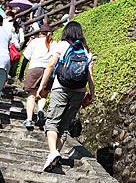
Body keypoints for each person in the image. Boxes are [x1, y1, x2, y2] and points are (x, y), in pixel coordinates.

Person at [36, 21, 94, 172]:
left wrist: (42, 87)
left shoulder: (62, 45)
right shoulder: (86, 51)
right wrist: (91, 94)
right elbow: (90, 75)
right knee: (65, 126)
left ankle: (53, 152)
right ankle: (54, 157)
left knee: (52, 122)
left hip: (61, 88)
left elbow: (50, 65)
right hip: (79, 91)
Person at [18, 24, 54, 130]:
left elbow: (25, 58)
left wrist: (21, 73)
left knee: (31, 95)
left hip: (34, 69)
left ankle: (29, 120)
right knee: (43, 95)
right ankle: (41, 110)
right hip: (48, 70)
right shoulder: (54, 43)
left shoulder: (34, 42)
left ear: (40, 33)